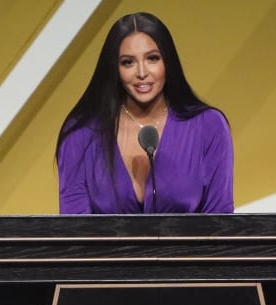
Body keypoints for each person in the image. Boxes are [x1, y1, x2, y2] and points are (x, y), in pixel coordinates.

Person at [55, 12, 233, 214]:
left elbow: (220, 224)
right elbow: (76, 233)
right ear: (114, 68)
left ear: (168, 62)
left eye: (152, 58)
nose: (141, 72)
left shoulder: (208, 126)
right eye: (128, 62)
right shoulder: (81, 134)